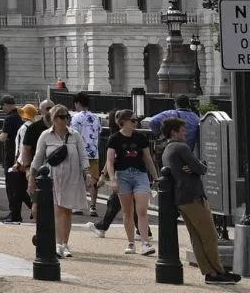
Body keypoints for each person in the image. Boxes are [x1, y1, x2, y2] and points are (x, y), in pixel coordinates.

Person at [158, 116, 239, 283]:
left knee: (196, 237)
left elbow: (192, 168)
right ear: (174, 132)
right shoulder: (181, 147)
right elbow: (201, 168)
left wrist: (193, 167)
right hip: (194, 197)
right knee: (209, 236)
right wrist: (199, 165)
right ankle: (218, 271)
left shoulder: (167, 149)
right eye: (182, 130)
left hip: (181, 198)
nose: (185, 133)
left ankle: (210, 272)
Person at [31, 106, 87, 258]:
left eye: (66, 116)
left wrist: (87, 174)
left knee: (67, 211)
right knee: (57, 210)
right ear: (53, 119)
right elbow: (38, 158)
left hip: (72, 177)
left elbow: (83, 156)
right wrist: (32, 178)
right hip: (53, 177)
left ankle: (65, 243)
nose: (65, 119)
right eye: (61, 117)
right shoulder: (45, 136)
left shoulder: (75, 135)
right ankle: (58, 243)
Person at [99, 110, 158, 254]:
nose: (135, 123)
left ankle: (145, 243)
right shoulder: (114, 138)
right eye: (132, 120)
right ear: (123, 121)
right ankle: (131, 243)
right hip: (122, 175)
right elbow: (110, 161)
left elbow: (148, 158)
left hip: (140, 174)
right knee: (127, 211)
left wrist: (155, 177)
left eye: (135, 120)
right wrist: (112, 179)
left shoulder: (140, 137)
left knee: (142, 209)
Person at [0, 100, 30, 223]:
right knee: (19, 187)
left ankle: (17, 213)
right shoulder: (27, 124)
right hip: (23, 158)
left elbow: (4, 138)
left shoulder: (12, 120)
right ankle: (26, 211)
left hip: (13, 156)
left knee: (13, 187)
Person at [69, 95, 103, 217]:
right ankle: (93, 207)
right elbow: (99, 132)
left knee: (77, 179)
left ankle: (77, 206)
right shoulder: (96, 117)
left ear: (77, 103)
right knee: (93, 180)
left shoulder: (76, 118)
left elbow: (72, 134)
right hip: (94, 153)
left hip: (79, 153)